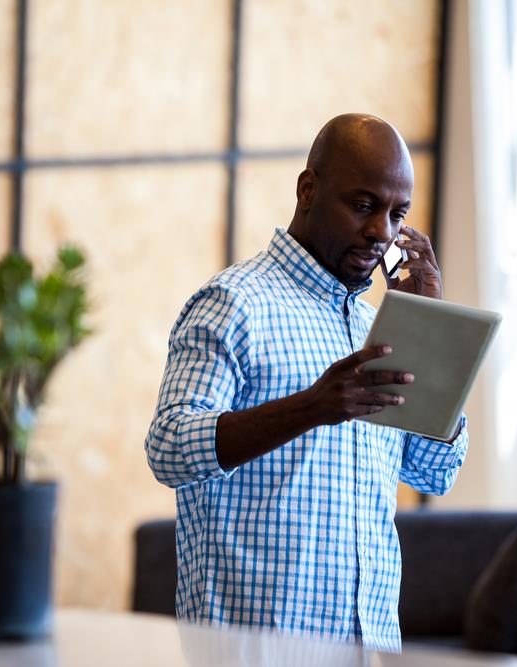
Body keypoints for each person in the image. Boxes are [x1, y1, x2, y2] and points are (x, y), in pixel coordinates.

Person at [144, 113, 468, 652]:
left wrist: (431, 335)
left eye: (397, 214)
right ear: (308, 189)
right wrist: (312, 407)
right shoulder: (233, 303)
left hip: (369, 646)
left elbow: (435, 473)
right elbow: (170, 448)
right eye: (363, 205)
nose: (381, 231)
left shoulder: (375, 327)